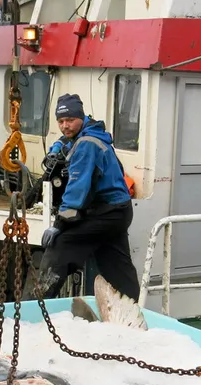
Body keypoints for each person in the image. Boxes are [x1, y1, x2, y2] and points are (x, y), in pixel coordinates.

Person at [30, 93, 141, 301]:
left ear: (81, 117)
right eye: (61, 121)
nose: (65, 126)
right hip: (119, 212)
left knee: (60, 245)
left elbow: (76, 191)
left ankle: (37, 304)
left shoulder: (86, 144)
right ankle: (132, 307)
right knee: (117, 264)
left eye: (70, 120)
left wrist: (59, 224)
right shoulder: (90, 132)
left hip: (106, 213)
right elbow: (64, 141)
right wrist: (55, 151)